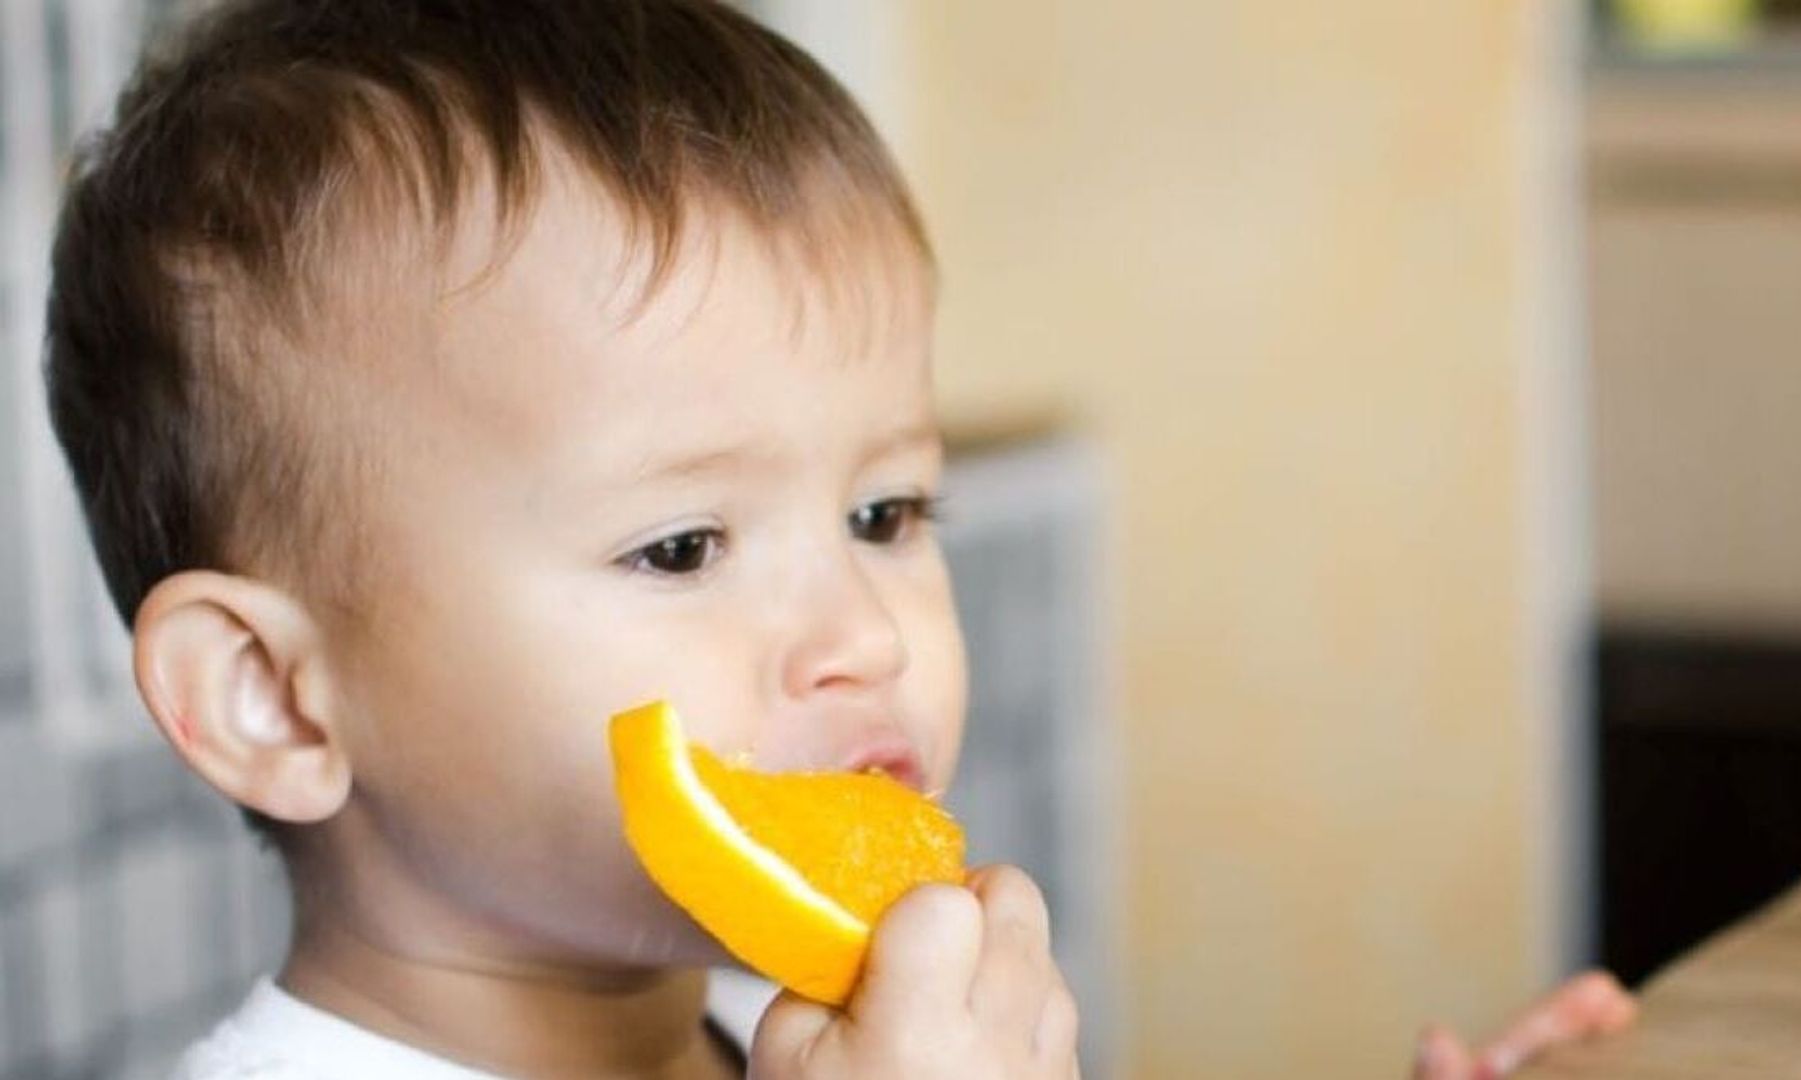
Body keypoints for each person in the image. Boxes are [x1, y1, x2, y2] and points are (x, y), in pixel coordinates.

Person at [43, 2, 1633, 1076]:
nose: (864, 636)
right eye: (680, 548)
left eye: (884, 513)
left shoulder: (778, 1032)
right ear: (274, 698)